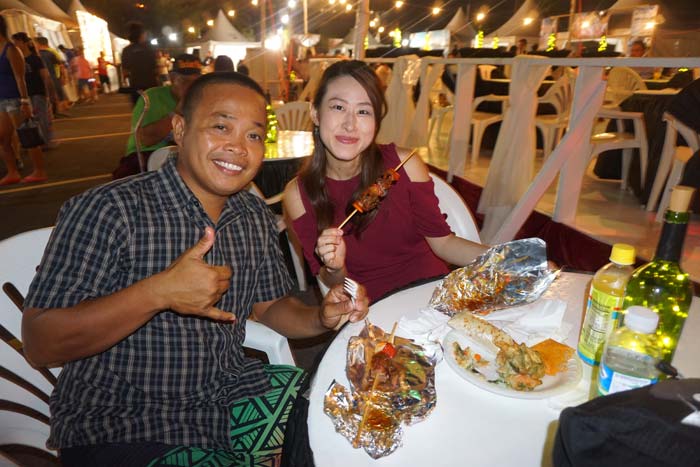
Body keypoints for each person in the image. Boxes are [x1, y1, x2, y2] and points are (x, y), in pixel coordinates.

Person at [22, 70, 369, 466]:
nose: (238, 147)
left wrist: (321, 317)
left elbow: (271, 308)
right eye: (221, 127)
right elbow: (40, 341)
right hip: (121, 423)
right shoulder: (109, 210)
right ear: (180, 130)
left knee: (346, 413)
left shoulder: (252, 214)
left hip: (227, 396)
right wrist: (158, 293)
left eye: (254, 135)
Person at [283, 60, 487, 303]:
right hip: (369, 307)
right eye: (338, 107)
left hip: (433, 293)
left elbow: (444, 244)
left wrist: (509, 258)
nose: (350, 124)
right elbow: (333, 283)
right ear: (315, 113)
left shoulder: (404, 165)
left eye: (363, 111)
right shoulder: (298, 194)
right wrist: (335, 267)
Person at [113, 53, 202, 179]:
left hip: (185, 155)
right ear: (172, 78)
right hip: (147, 154)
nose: (190, 87)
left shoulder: (202, 99)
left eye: (196, 83)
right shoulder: (151, 98)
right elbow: (146, 139)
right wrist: (179, 109)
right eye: (184, 81)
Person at [0, 19, 47, 185]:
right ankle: (12, 172)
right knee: (3, 139)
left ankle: (39, 171)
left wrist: (25, 101)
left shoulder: (11, 49)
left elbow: (20, 78)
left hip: (15, 99)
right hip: (1, 100)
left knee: (27, 135)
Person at [11, 32, 56, 151]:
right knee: (27, 119)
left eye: (17, 42)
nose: (15, 45)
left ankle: (45, 142)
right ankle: (33, 142)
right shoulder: (16, 59)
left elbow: (45, 76)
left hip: (37, 92)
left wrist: (48, 93)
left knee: (41, 118)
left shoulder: (35, 58)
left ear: (25, 43)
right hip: (24, 94)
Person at [121, 22, 157, 105]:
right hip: (151, 84)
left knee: (139, 108)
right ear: (141, 35)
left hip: (135, 85)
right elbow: (155, 67)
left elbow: (125, 70)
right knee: (152, 107)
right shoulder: (149, 48)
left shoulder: (126, 50)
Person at [35, 36, 69, 113]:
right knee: (57, 94)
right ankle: (60, 109)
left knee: (54, 94)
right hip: (54, 76)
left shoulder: (45, 53)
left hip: (52, 77)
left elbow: (60, 64)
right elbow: (61, 64)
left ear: (38, 43)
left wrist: (63, 76)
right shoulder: (51, 52)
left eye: (35, 43)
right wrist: (63, 76)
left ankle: (58, 110)